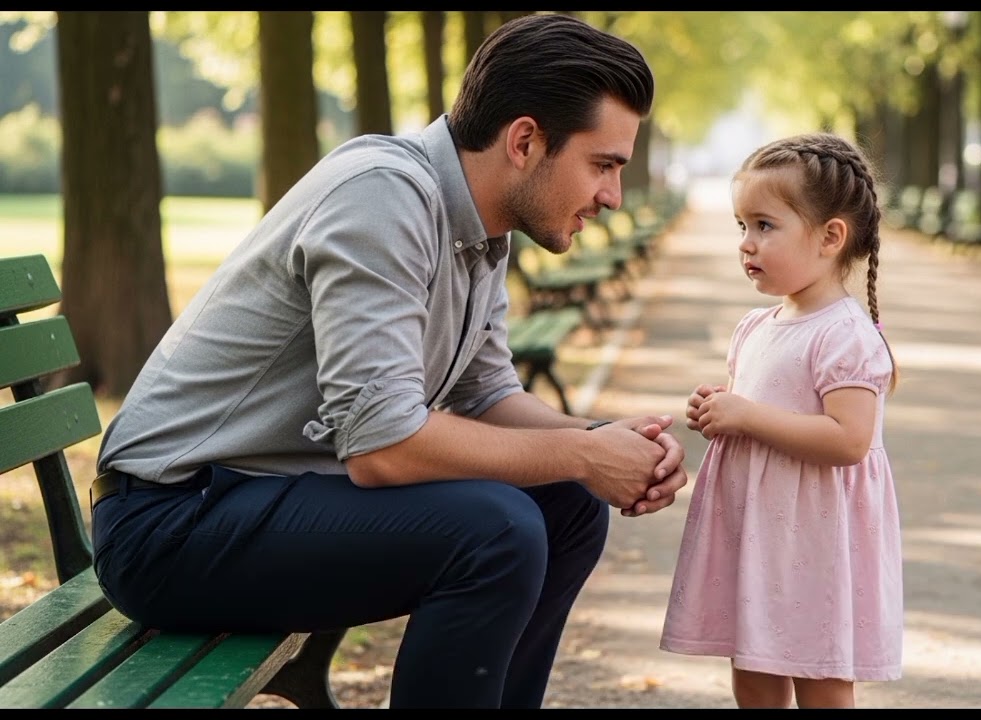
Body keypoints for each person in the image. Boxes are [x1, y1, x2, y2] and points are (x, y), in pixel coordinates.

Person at [90, 13, 689, 709]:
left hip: (259, 499)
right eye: (604, 165)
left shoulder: (480, 225)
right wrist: (583, 455)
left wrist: (602, 444)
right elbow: (383, 447)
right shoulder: (383, 196)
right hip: (171, 522)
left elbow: (484, 390)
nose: (612, 195)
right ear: (525, 140)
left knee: (567, 505)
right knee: (499, 529)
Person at [658, 132, 903, 709]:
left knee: (818, 674)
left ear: (830, 237)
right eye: (740, 226)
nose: (747, 244)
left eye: (765, 226)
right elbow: (762, 409)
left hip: (814, 536)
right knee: (753, 665)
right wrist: (722, 409)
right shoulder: (755, 327)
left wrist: (749, 414)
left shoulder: (845, 335)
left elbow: (849, 439)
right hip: (758, 531)